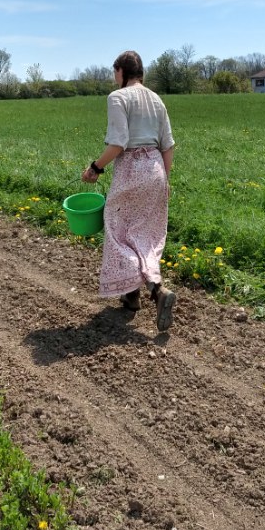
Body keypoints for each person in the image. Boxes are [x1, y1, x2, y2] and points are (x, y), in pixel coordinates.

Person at [81, 50, 176, 331]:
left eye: (115, 72)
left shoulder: (118, 97)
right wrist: (165, 181)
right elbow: (168, 145)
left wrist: (95, 168)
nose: (114, 78)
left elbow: (119, 143)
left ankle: (153, 291)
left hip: (131, 170)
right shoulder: (157, 100)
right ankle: (136, 295)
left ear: (121, 71)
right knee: (144, 233)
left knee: (117, 229)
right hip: (156, 170)